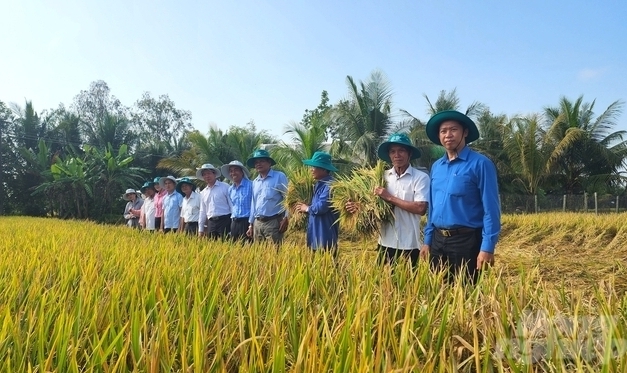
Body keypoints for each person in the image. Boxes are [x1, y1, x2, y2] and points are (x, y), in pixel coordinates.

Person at [421, 110, 501, 283]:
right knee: (438, 294)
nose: (448, 135)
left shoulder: (481, 164)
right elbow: (433, 208)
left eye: (453, 130)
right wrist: (427, 240)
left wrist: (487, 247)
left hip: (466, 242)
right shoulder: (436, 167)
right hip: (437, 240)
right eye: (443, 131)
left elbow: (491, 210)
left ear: (465, 132)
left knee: (466, 297)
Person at [348, 133, 429, 267]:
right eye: (393, 151)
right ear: (389, 155)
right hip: (385, 241)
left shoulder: (420, 178)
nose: (397, 155)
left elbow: (420, 208)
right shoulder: (382, 177)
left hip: (409, 243)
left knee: (407, 285)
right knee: (384, 285)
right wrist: (357, 207)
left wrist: (389, 197)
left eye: (401, 150)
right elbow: (372, 207)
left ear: (409, 154)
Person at [295, 151, 339, 253]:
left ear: (323, 169)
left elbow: (321, 207)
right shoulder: (318, 184)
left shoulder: (330, 185)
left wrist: (306, 208)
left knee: (327, 266)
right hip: (315, 234)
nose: (311, 170)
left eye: (314, 167)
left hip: (324, 236)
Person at [245, 149, 289, 245]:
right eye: (256, 162)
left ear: (269, 163)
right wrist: (250, 224)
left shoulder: (279, 177)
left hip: (273, 222)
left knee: (274, 254)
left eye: (262, 161)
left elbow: (287, 198)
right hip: (258, 223)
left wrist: (286, 218)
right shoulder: (255, 182)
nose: (258, 164)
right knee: (259, 254)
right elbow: (254, 203)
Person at [197, 164, 232, 239]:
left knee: (226, 244)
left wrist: (233, 223)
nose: (207, 176)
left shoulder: (225, 187)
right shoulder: (203, 193)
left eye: (209, 173)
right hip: (211, 222)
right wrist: (201, 230)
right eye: (204, 174)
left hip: (225, 220)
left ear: (214, 174)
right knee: (212, 246)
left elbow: (232, 205)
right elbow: (202, 211)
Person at [220, 160, 253, 242]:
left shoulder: (251, 185)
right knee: (235, 249)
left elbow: (255, 205)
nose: (233, 173)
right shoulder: (231, 189)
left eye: (236, 170)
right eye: (231, 171)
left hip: (247, 221)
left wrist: (251, 224)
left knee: (249, 249)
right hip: (235, 222)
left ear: (242, 172)